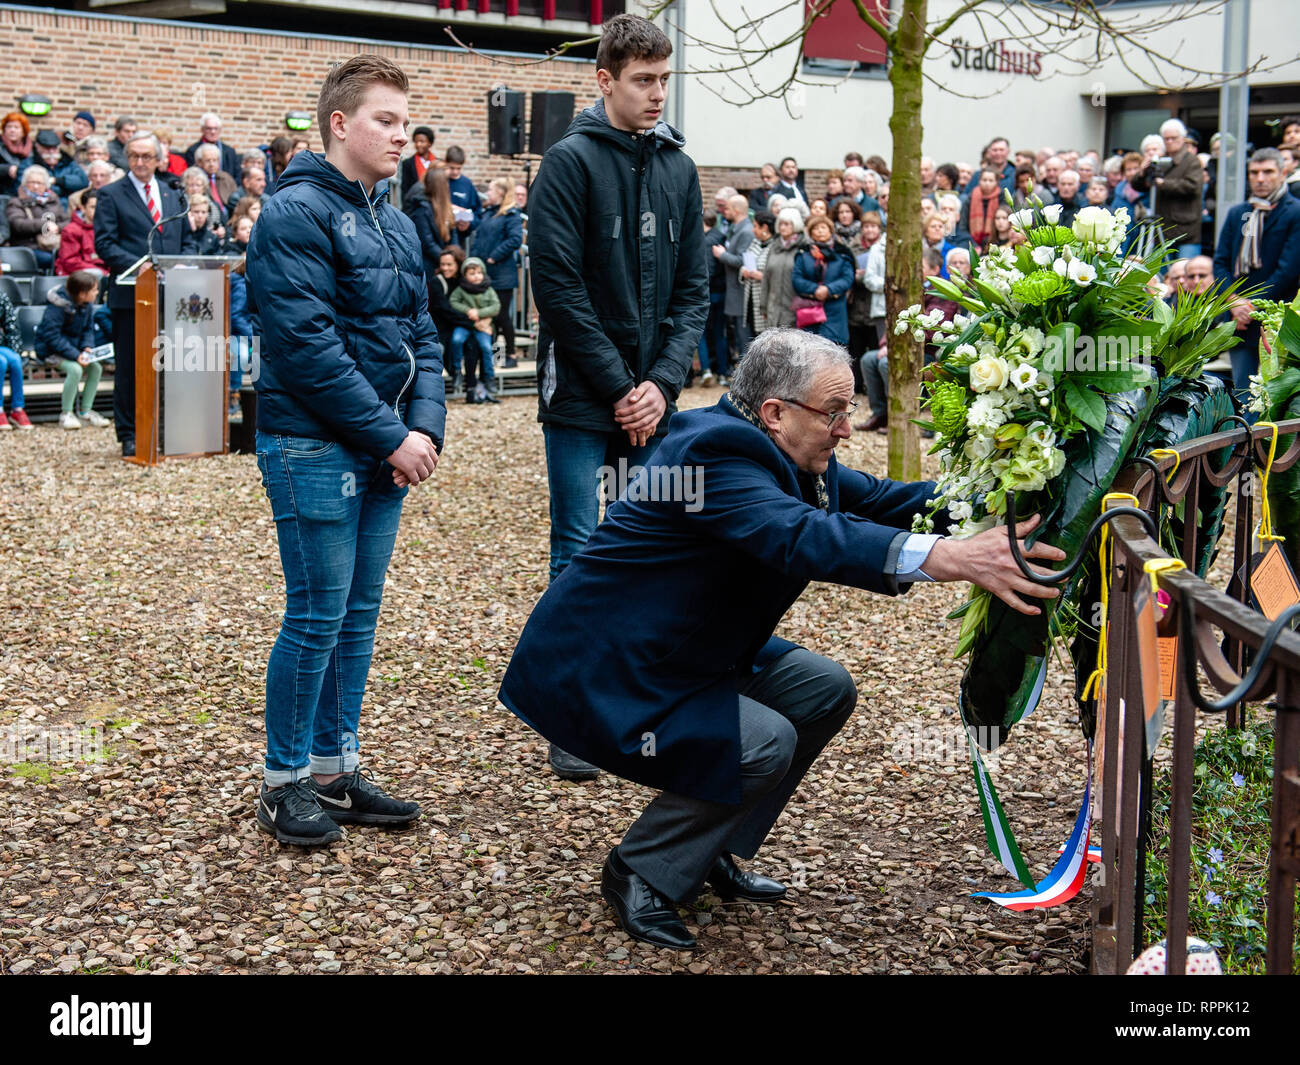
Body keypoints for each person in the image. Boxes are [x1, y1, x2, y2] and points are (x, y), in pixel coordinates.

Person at [498, 329, 1066, 949]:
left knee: (824, 688)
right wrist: (955, 557)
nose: (847, 427)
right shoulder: (713, 454)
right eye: (836, 413)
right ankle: (640, 872)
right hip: (609, 666)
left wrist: (1011, 495)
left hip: (683, 647)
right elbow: (799, 536)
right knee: (763, 742)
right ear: (776, 412)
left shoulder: (778, 448)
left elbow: (883, 501)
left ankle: (708, 849)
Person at [245, 54, 444, 846]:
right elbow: (307, 349)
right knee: (316, 615)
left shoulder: (395, 220)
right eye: (386, 120)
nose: (403, 134)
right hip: (312, 446)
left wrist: (423, 428)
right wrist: (394, 433)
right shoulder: (294, 214)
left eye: (405, 120)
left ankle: (334, 769)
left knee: (356, 618)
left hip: (383, 449)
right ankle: (283, 779)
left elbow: (423, 333)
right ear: (339, 123)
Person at [526, 13, 709, 781]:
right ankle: (567, 713)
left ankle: (629, 702)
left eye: (664, 79)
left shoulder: (680, 166)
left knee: (643, 551)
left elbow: (695, 290)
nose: (657, 93)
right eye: (643, 80)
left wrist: (661, 385)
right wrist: (619, 387)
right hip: (580, 398)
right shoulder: (568, 163)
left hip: (651, 403)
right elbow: (558, 288)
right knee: (577, 551)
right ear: (605, 80)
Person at [93, 132, 197, 457]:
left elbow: (187, 239)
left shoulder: (171, 193)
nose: (140, 162)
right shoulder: (111, 194)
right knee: (130, 366)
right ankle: (130, 433)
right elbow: (105, 243)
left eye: (146, 156)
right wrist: (138, 266)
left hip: (174, 296)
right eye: (134, 156)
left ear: (158, 160)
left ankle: (167, 428)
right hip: (132, 294)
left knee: (169, 363)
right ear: (126, 158)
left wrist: (186, 264)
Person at [1213, 147, 1300, 410]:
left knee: (1274, 398)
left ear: (1283, 172)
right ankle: (1243, 450)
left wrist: (1250, 307)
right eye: (1254, 172)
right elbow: (1220, 262)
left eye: (1268, 172)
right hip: (1239, 321)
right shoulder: (1237, 211)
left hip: (1276, 321)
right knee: (1243, 396)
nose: (1260, 178)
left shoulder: (1295, 211)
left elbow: (1288, 271)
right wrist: (1233, 302)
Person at [36, 271, 109, 431]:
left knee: (96, 368)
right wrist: (76, 355)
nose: (97, 293)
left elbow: (88, 330)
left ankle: (85, 410)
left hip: (73, 350)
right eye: (94, 290)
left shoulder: (87, 305)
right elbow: (52, 337)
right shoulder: (57, 307)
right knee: (75, 370)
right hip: (50, 351)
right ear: (82, 294)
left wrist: (86, 347)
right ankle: (66, 413)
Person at [1131, 118, 1205, 258]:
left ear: (1183, 138)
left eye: (1173, 138)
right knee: (1161, 275)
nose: (1169, 142)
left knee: (1185, 273)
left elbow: (1193, 186)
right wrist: (1142, 171)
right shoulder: (1160, 159)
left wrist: (1164, 184)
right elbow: (1138, 186)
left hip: (1186, 230)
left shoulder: (1191, 160)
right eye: (1166, 139)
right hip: (1162, 230)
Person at [472, 177, 523, 369]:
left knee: (501, 315)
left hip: (502, 274)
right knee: (490, 317)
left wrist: (494, 256)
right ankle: (495, 357)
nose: (488, 194)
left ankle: (511, 354)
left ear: (501, 193)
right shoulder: (489, 212)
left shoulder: (511, 214)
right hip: (486, 273)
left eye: (492, 191)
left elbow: (515, 239)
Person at [792, 215, 855, 345]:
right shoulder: (803, 255)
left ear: (830, 231)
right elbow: (797, 279)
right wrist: (815, 289)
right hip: (810, 310)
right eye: (816, 228)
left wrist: (829, 289)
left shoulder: (842, 254)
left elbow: (847, 278)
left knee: (833, 348)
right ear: (810, 233)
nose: (820, 231)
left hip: (834, 310)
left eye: (823, 227)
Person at [449, 256, 501, 404]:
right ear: (465, 275)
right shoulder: (461, 289)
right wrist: (469, 311)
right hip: (465, 325)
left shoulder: (488, 289)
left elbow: (496, 306)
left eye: (479, 272)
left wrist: (479, 313)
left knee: (486, 347)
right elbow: (453, 302)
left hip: (484, 326)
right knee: (456, 340)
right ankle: (457, 371)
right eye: (472, 273)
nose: (476, 276)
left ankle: (490, 377)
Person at [714, 193, 755, 373]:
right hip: (732, 290)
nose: (724, 211)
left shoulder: (746, 231)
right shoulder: (736, 228)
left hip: (740, 292)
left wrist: (722, 255)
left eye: (727, 208)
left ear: (737, 210)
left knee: (743, 335)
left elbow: (742, 260)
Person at [6, 165, 69, 271]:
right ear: (24, 184)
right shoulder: (16, 202)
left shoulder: (54, 201)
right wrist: (45, 225)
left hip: (54, 243)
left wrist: (57, 227)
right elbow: (18, 224)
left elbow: (67, 221)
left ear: (46, 185)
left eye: (39, 183)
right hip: (30, 246)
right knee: (51, 259)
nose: (35, 186)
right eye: (31, 182)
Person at [758, 206, 804, 332]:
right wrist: (763, 306)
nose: (782, 227)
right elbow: (766, 278)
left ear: (795, 225)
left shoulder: (804, 247)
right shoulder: (774, 247)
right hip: (774, 310)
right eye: (781, 224)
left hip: (795, 310)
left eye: (787, 224)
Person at [55, 185, 106, 275]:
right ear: (82, 208)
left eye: (100, 206)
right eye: (93, 207)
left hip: (103, 274)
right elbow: (70, 262)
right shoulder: (71, 230)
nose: (98, 210)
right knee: (97, 273)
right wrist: (103, 272)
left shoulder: (108, 228)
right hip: (77, 277)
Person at [0, 290, 31, 431]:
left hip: (2, 346)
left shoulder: (1, 296)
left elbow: (12, 326)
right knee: (1, 363)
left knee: (15, 360)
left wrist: (14, 349)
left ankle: (17, 409)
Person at [443, 145, 481, 238]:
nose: (455, 172)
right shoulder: (440, 180)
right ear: (445, 163)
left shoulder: (467, 183)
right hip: (440, 233)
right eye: (452, 168)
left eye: (458, 168)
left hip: (460, 236)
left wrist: (469, 224)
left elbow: (477, 212)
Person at [399, 125, 437, 197]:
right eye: (416, 142)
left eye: (422, 141)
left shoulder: (437, 163)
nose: (418, 144)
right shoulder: (408, 164)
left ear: (430, 143)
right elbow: (405, 189)